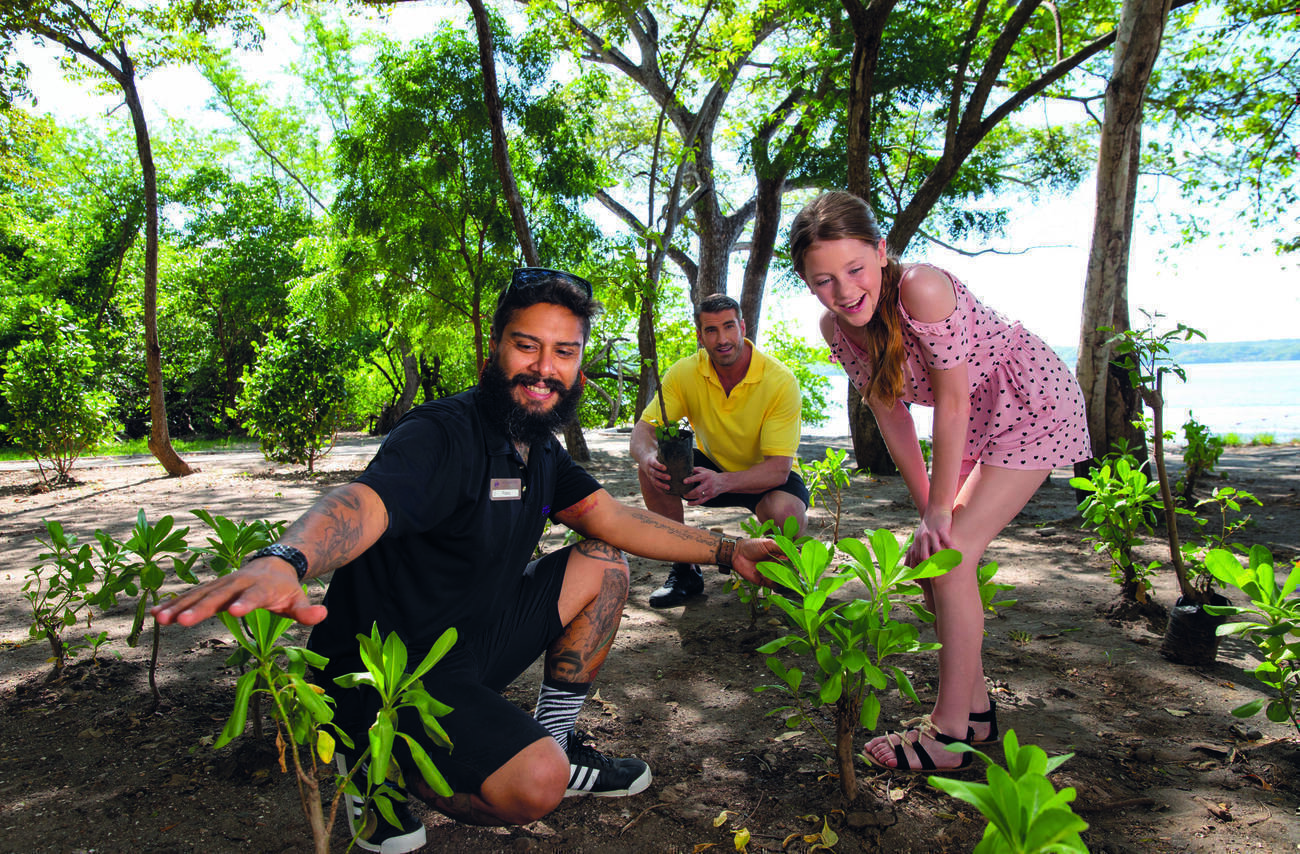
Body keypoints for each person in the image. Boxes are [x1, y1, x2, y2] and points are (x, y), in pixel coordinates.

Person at [153, 268, 779, 850]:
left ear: (580, 366)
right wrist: (287, 558)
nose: (544, 369)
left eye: (564, 352)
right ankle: (378, 760)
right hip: (388, 672)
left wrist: (729, 550)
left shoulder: (538, 446)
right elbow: (364, 502)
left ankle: (555, 736)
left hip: (468, 643)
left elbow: (611, 519)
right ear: (494, 347)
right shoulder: (442, 432)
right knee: (537, 785)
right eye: (526, 346)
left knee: (602, 561)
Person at [789, 191, 1091, 772]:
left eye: (854, 269)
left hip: (1030, 402)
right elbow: (889, 410)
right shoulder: (837, 328)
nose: (844, 290)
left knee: (950, 551)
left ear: (881, 253)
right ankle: (975, 710)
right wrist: (929, 505)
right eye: (822, 280)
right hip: (983, 414)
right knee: (931, 559)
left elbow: (949, 405)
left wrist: (941, 518)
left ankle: (949, 732)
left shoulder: (922, 288)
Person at [630, 293, 809, 608]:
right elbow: (643, 432)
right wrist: (646, 457)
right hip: (709, 464)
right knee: (652, 471)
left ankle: (778, 572)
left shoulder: (779, 381)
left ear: (742, 326)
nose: (722, 338)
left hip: (763, 474)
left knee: (786, 514)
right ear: (700, 336)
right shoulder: (685, 372)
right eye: (711, 330)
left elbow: (779, 468)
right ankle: (684, 570)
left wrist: (722, 482)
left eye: (729, 327)